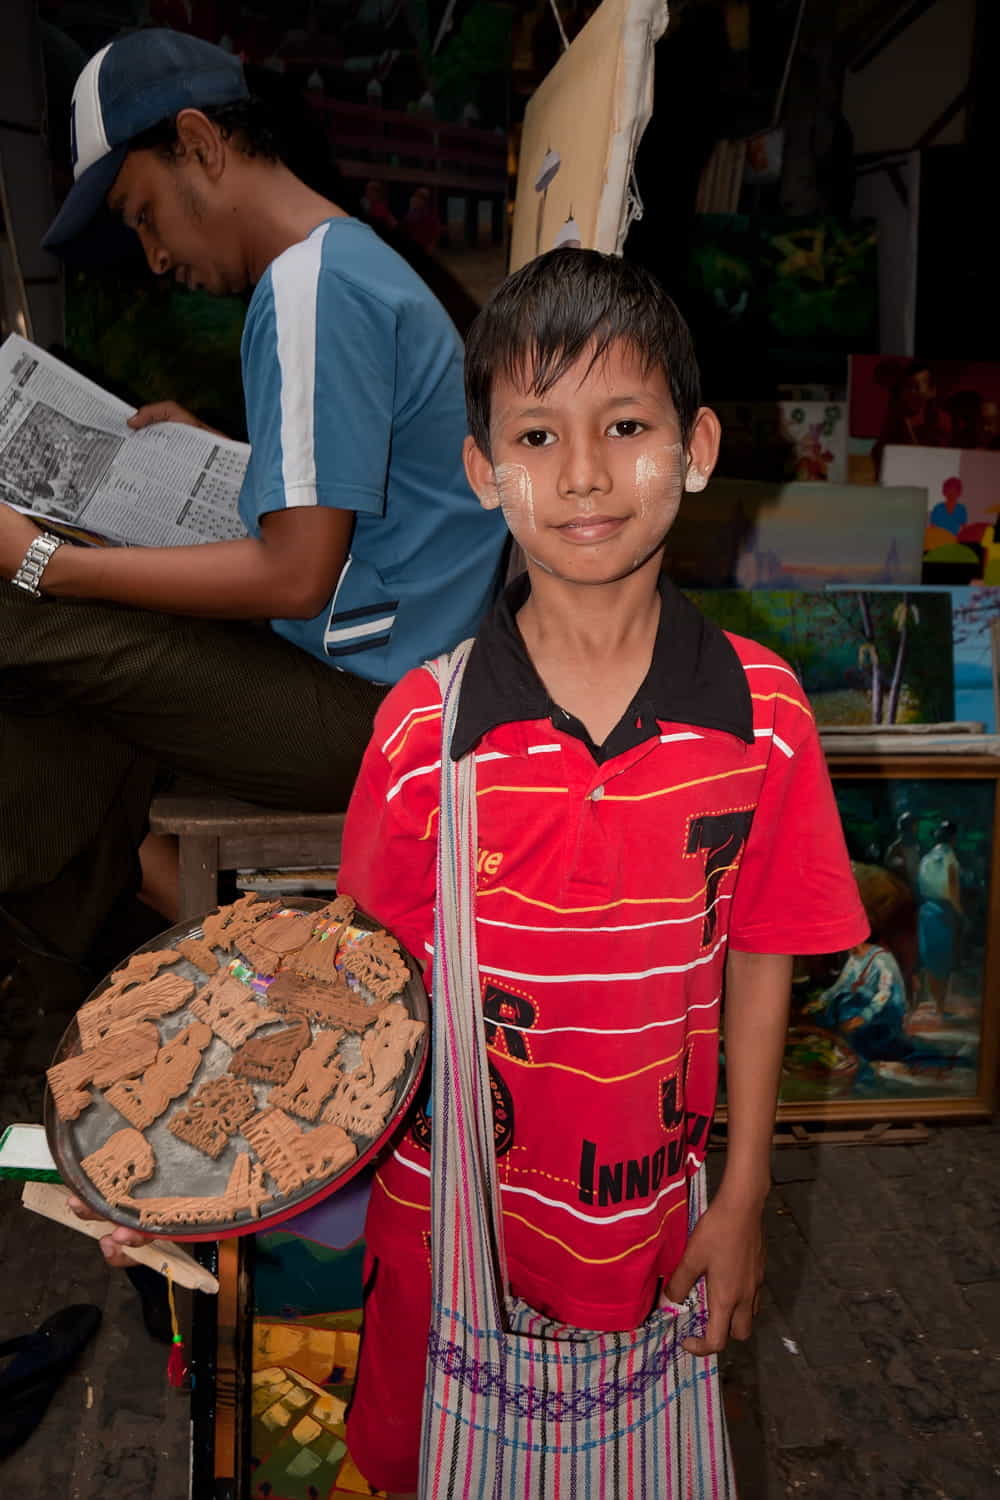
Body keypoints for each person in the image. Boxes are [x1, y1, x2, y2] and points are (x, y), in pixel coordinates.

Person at [332, 249, 869, 1496]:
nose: (581, 474)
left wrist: (741, 1202)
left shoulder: (765, 718)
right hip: (445, 1227)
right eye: (536, 433)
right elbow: (354, 991)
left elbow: (760, 961)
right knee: (425, 1470)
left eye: (624, 425)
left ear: (692, 445)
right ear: (482, 470)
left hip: (653, 1231)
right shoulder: (426, 733)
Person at [0, 30, 506, 967]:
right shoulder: (350, 264)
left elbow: (296, 573)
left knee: (20, 603)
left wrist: (49, 563)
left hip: (380, 717)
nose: (152, 255)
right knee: (67, 676)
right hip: (400, 682)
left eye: (143, 213)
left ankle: (84, 912)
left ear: (199, 144)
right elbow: (357, 511)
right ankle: (100, 895)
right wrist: (226, 460)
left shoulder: (311, 287)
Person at [917, 819, 963, 1015]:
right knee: (944, 958)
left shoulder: (926, 858)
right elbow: (952, 890)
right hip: (944, 910)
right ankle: (941, 1006)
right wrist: (961, 913)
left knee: (929, 957)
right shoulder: (949, 857)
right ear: (952, 838)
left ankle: (936, 1003)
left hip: (926, 909)